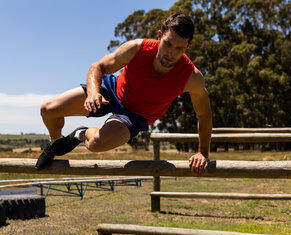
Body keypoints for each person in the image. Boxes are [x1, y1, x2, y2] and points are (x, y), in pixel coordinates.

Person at [35, 12, 212, 175]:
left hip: (134, 116)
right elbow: (98, 66)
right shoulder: (137, 48)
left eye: (179, 48)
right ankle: (55, 144)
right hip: (111, 92)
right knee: (48, 109)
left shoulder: (191, 77)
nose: (170, 53)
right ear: (159, 36)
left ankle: (80, 134)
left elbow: (204, 114)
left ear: (188, 46)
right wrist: (93, 92)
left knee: (96, 143)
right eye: (167, 44)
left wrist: (203, 153)